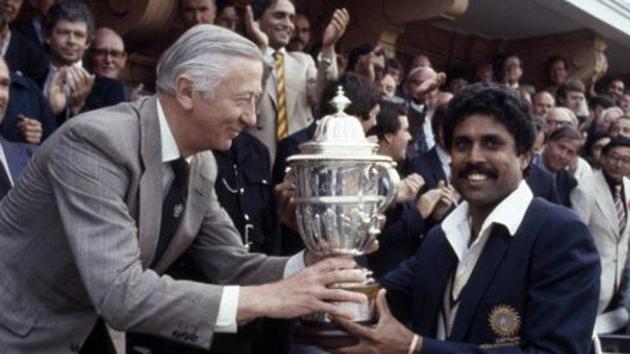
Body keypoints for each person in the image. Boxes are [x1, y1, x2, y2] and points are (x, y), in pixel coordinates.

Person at [0, 24, 368, 353]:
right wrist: (270, 299)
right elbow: (121, 292)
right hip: (20, 335)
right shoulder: (95, 142)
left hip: (88, 329)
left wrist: (306, 267)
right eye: (243, 99)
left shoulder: (201, 162)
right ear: (187, 91)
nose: (252, 118)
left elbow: (232, 265)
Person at [330, 83, 600, 354]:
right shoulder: (442, 236)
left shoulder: (560, 235)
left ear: (525, 156)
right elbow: (379, 301)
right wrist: (328, 248)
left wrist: (417, 348)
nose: (474, 157)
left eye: (492, 144)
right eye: (462, 144)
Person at [244, 0, 348, 161]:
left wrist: (328, 47)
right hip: (252, 159)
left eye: (291, 18)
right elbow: (247, 103)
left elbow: (325, 98)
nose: (288, 25)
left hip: (296, 159)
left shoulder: (303, 61)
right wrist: (264, 52)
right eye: (280, 16)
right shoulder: (245, 59)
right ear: (257, 20)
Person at [572, 137, 630, 335]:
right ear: (603, 157)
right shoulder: (586, 189)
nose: (619, 164)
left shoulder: (628, 187)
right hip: (590, 281)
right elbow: (574, 238)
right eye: (614, 157)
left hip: (617, 284)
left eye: (626, 160)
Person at [42, 1, 125, 123]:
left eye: (79, 35)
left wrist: (77, 108)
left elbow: (105, 136)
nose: (71, 41)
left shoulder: (109, 90)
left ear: (87, 42)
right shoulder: (29, 78)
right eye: (64, 33)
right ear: (47, 36)